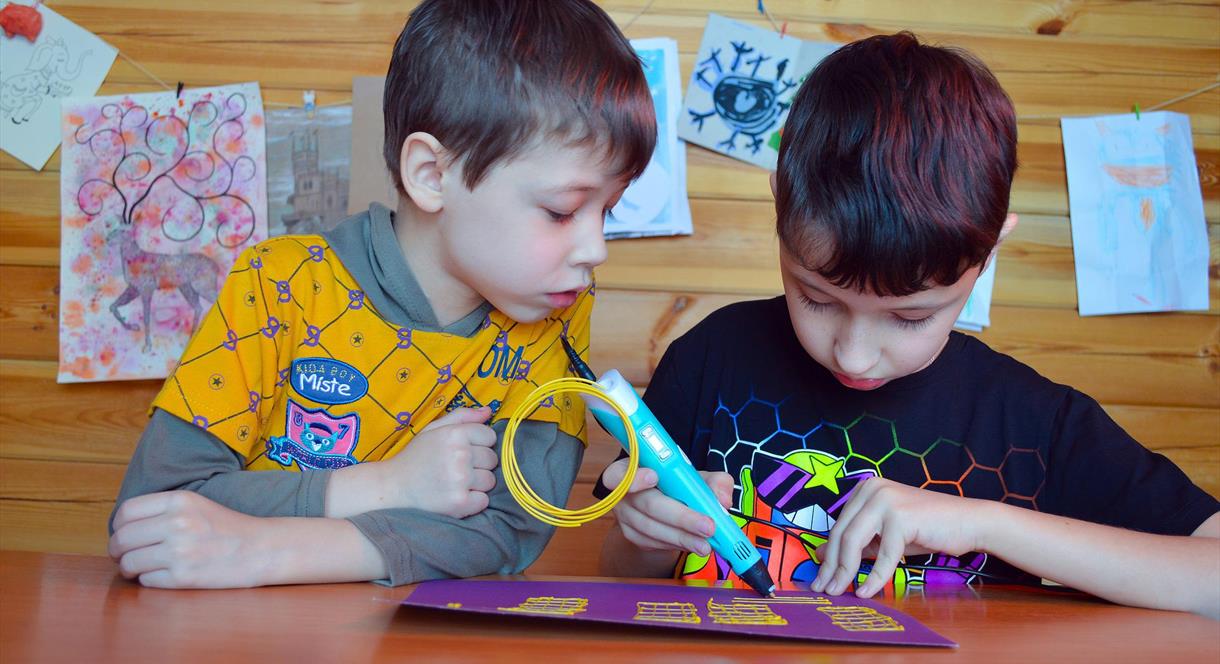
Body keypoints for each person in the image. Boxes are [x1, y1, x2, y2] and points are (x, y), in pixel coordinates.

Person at [597, 32, 1220, 616]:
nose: (854, 355)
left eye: (912, 316)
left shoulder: (1032, 422)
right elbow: (623, 577)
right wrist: (646, 535)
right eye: (816, 298)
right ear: (780, 209)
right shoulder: (712, 359)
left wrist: (985, 523)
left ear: (987, 254)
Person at [107, 0, 656, 589]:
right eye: (563, 210)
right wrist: (386, 487)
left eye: (609, 211)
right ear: (430, 174)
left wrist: (266, 548)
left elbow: (508, 533)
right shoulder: (280, 284)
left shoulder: (555, 306)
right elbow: (151, 516)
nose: (594, 249)